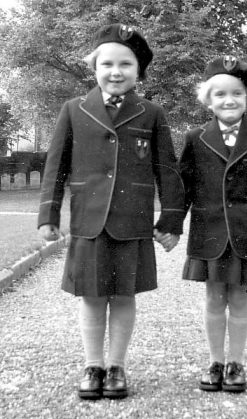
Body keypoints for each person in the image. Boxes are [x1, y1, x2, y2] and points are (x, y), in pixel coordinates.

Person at [38, 23, 184, 400]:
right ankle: (93, 365)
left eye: (125, 64)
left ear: (139, 71)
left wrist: (171, 220)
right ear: (94, 67)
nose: (115, 71)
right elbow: (56, 167)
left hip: (131, 220)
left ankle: (116, 366)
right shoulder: (73, 110)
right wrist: (47, 216)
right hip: (89, 219)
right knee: (90, 297)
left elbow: (167, 169)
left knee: (123, 296)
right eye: (107, 63)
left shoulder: (152, 113)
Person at [179, 55, 247, 393]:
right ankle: (215, 362)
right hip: (209, 233)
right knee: (213, 299)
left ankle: (236, 363)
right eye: (221, 94)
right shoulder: (194, 138)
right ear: (208, 100)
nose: (229, 100)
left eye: (237, 93)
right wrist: (170, 225)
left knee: (240, 300)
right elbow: (184, 188)